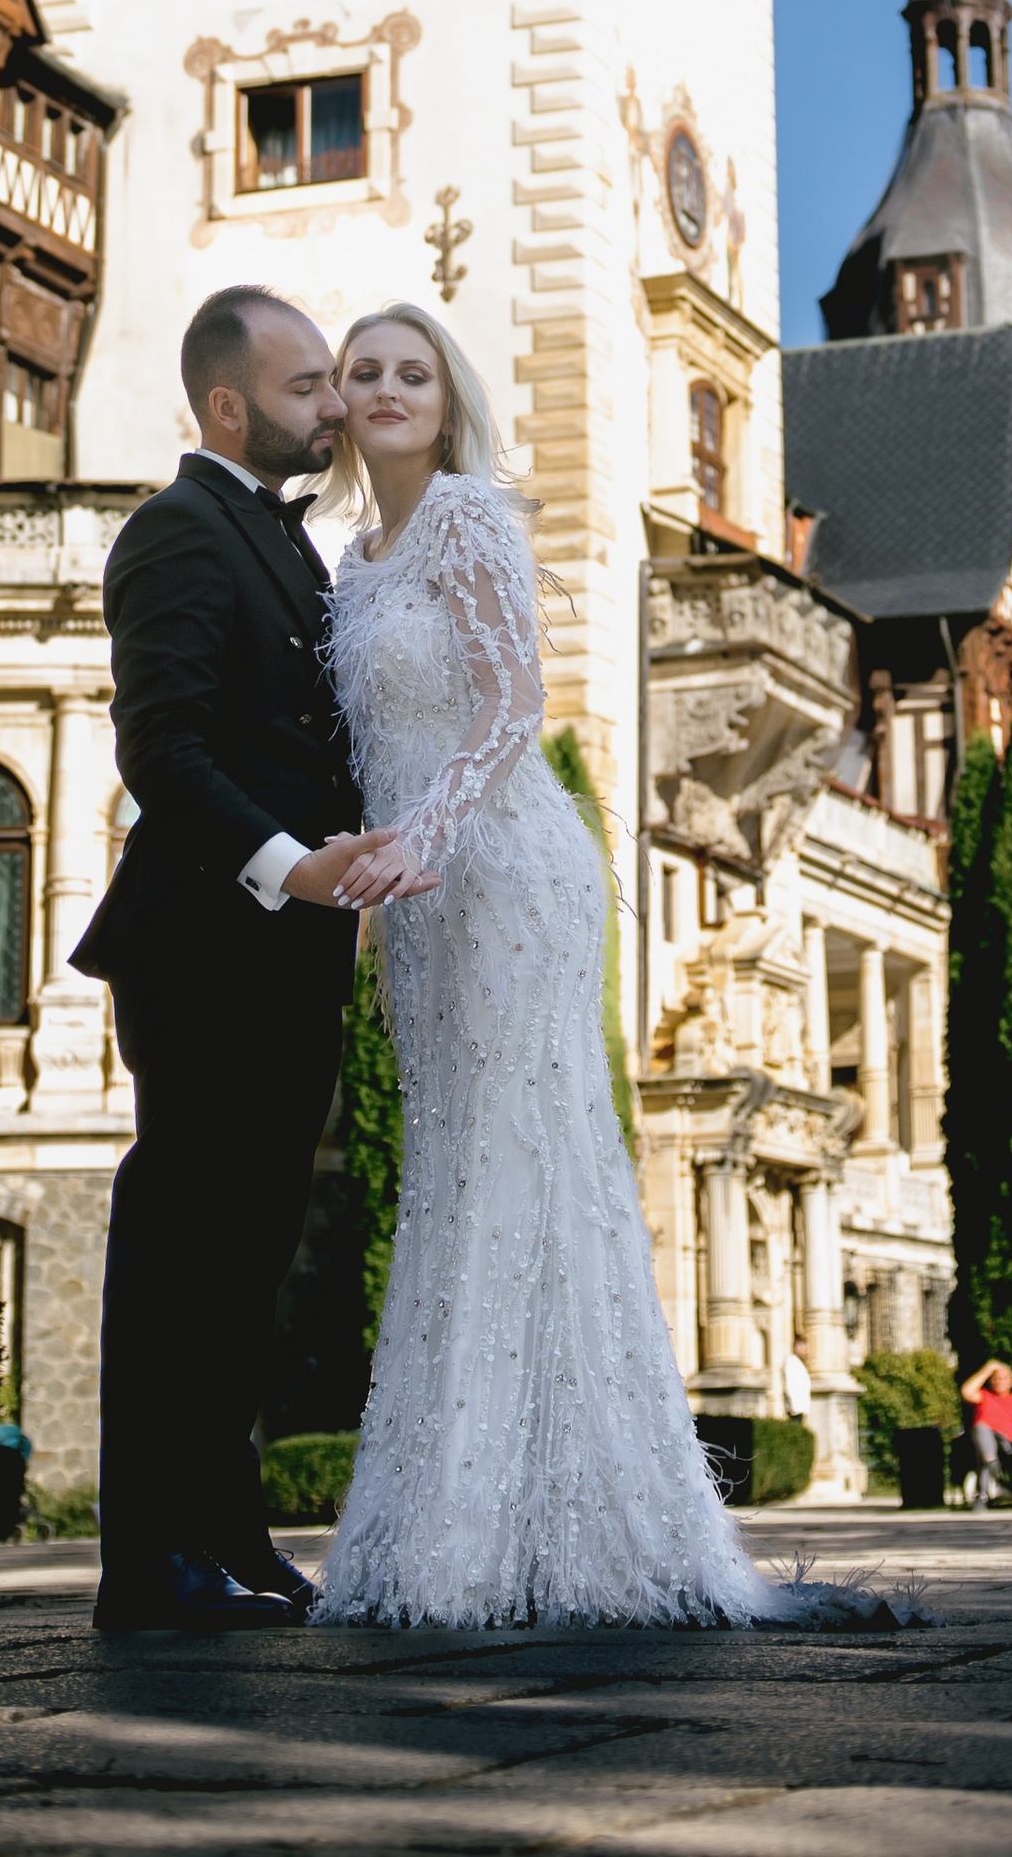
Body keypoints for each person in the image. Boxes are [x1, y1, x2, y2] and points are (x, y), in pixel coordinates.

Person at [310, 304, 781, 1627]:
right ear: (337, 402)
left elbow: (517, 701)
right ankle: (479, 1521)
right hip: (417, 896)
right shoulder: (352, 560)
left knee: (520, 1160)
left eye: (412, 372)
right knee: (456, 1168)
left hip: (506, 870)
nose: (387, 388)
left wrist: (428, 831)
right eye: (363, 372)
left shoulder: (467, 517)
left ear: (447, 399)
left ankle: (520, 1539)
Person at [69, 284, 433, 1635]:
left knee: (248, 1257)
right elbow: (161, 752)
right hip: (203, 941)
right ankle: (146, 1561)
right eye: (306, 388)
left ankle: (225, 1537)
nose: (334, 405)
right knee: (183, 1247)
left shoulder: (287, 543)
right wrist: (293, 866)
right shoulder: (176, 530)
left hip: (290, 949)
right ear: (229, 407)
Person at [960, 1357, 1012, 1506]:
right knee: (981, 1431)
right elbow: (966, 1391)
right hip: (986, 1440)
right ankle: (993, 1473)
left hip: (1008, 1443)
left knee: (985, 1454)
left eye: (1004, 1378)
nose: (1000, 1381)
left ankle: (985, 1491)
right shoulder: (984, 1396)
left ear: (1011, 1381)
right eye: (996, 1378)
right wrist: (987, 1369)